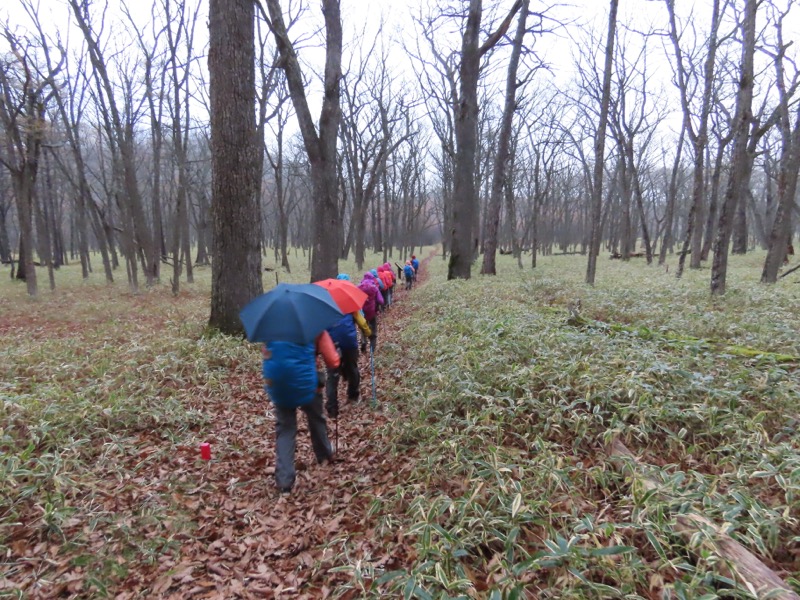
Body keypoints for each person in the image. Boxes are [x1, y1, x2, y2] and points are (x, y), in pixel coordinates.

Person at [262, 329, 340, 495]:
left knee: (285, 429)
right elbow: (333, 361)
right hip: (308, 383)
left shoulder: (273, 329)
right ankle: (324, 455)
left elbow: (267, 354)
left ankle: (284, 482)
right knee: (316, 418)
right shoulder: (315, 326)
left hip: (280, 384)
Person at [325, 274, 372, 414]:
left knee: (332, 374)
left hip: (331, 344)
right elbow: (362, 322)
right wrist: (368, 333)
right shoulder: (350, 303)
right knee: (352, 368)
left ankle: (332, 406)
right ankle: (353, 395)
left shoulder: (325, 305)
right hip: (349, 342)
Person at [358, 271, 384, 351]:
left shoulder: (358, 287)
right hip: (372, 312)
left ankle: (363, 341)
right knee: (374, 329)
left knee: (363, 326)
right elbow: (380, 300)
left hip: (362, 312)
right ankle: (372, 346)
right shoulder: (374, 287)